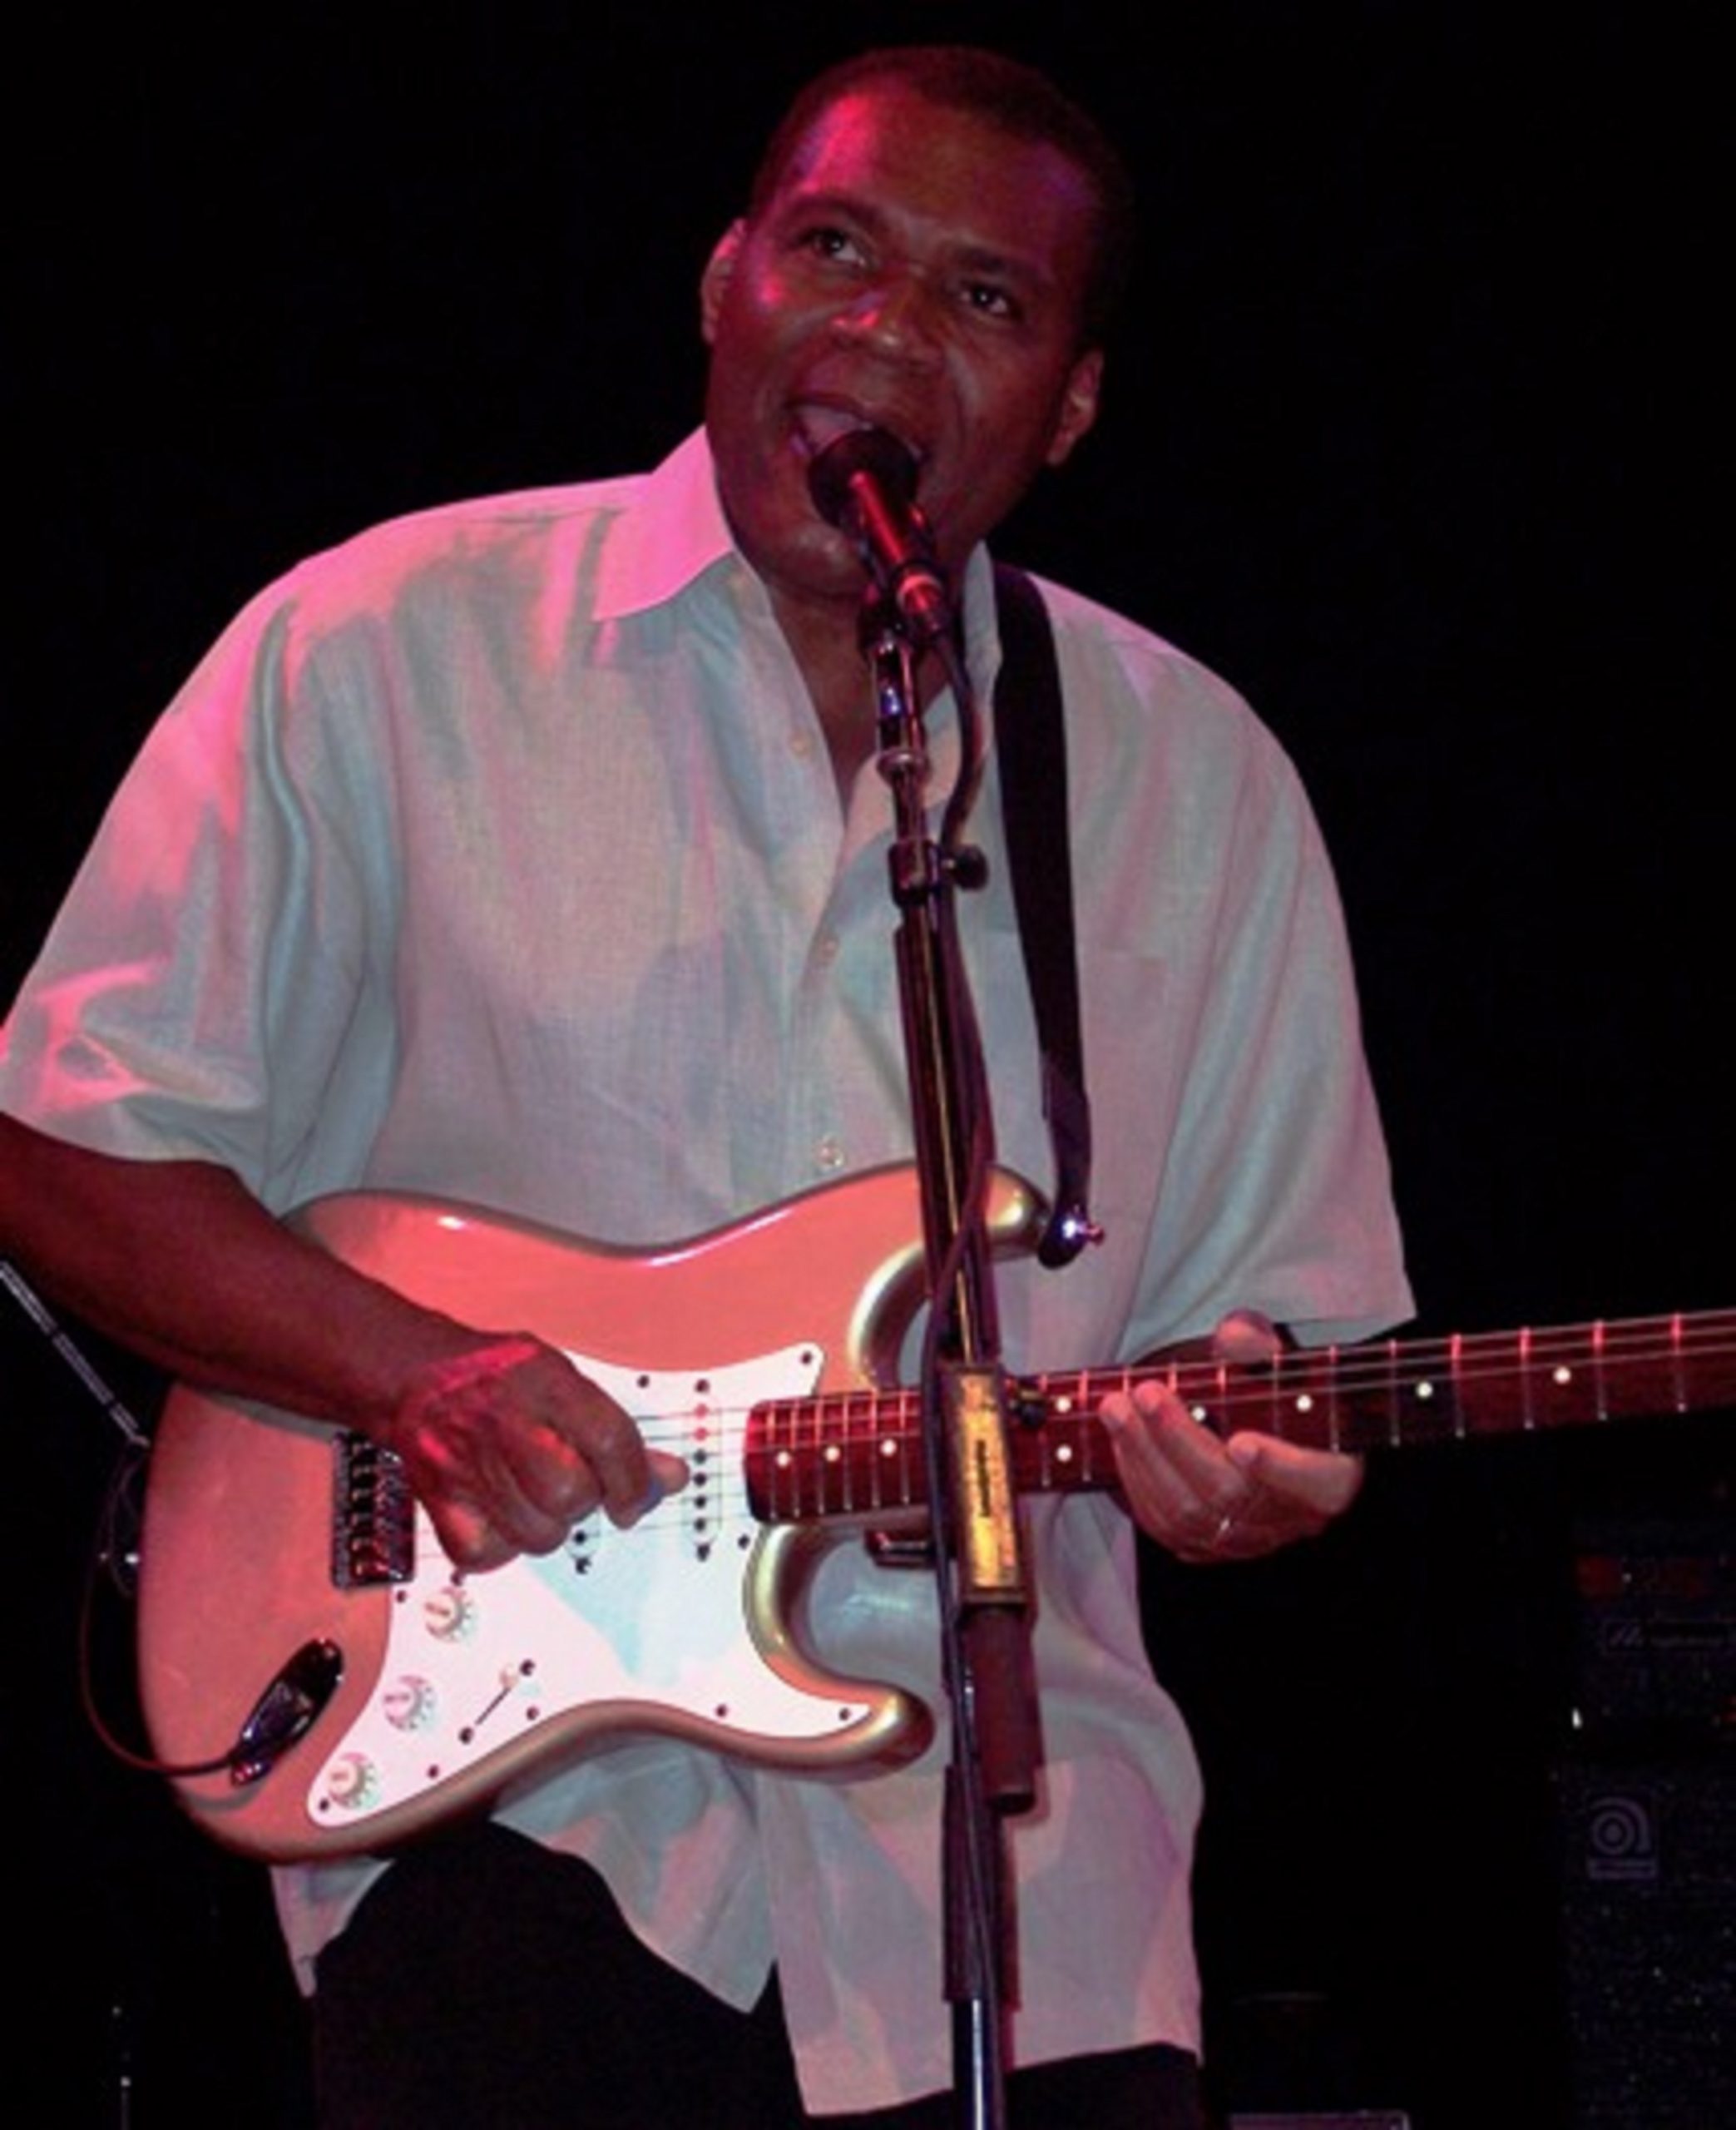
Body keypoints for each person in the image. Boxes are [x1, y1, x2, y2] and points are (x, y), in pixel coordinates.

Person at [0, 43, 1411, 2129]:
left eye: (984, 299)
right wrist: (415, 1372)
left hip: (1036, 1893)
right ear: (722, 280)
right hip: (520, 1834)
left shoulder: (1197, 782)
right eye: (835, 249)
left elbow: (1281, 1337)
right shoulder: (385, 647)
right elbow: (60, 1149)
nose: (885, 328)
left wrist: (1266, 1456)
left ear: (1075, 405)